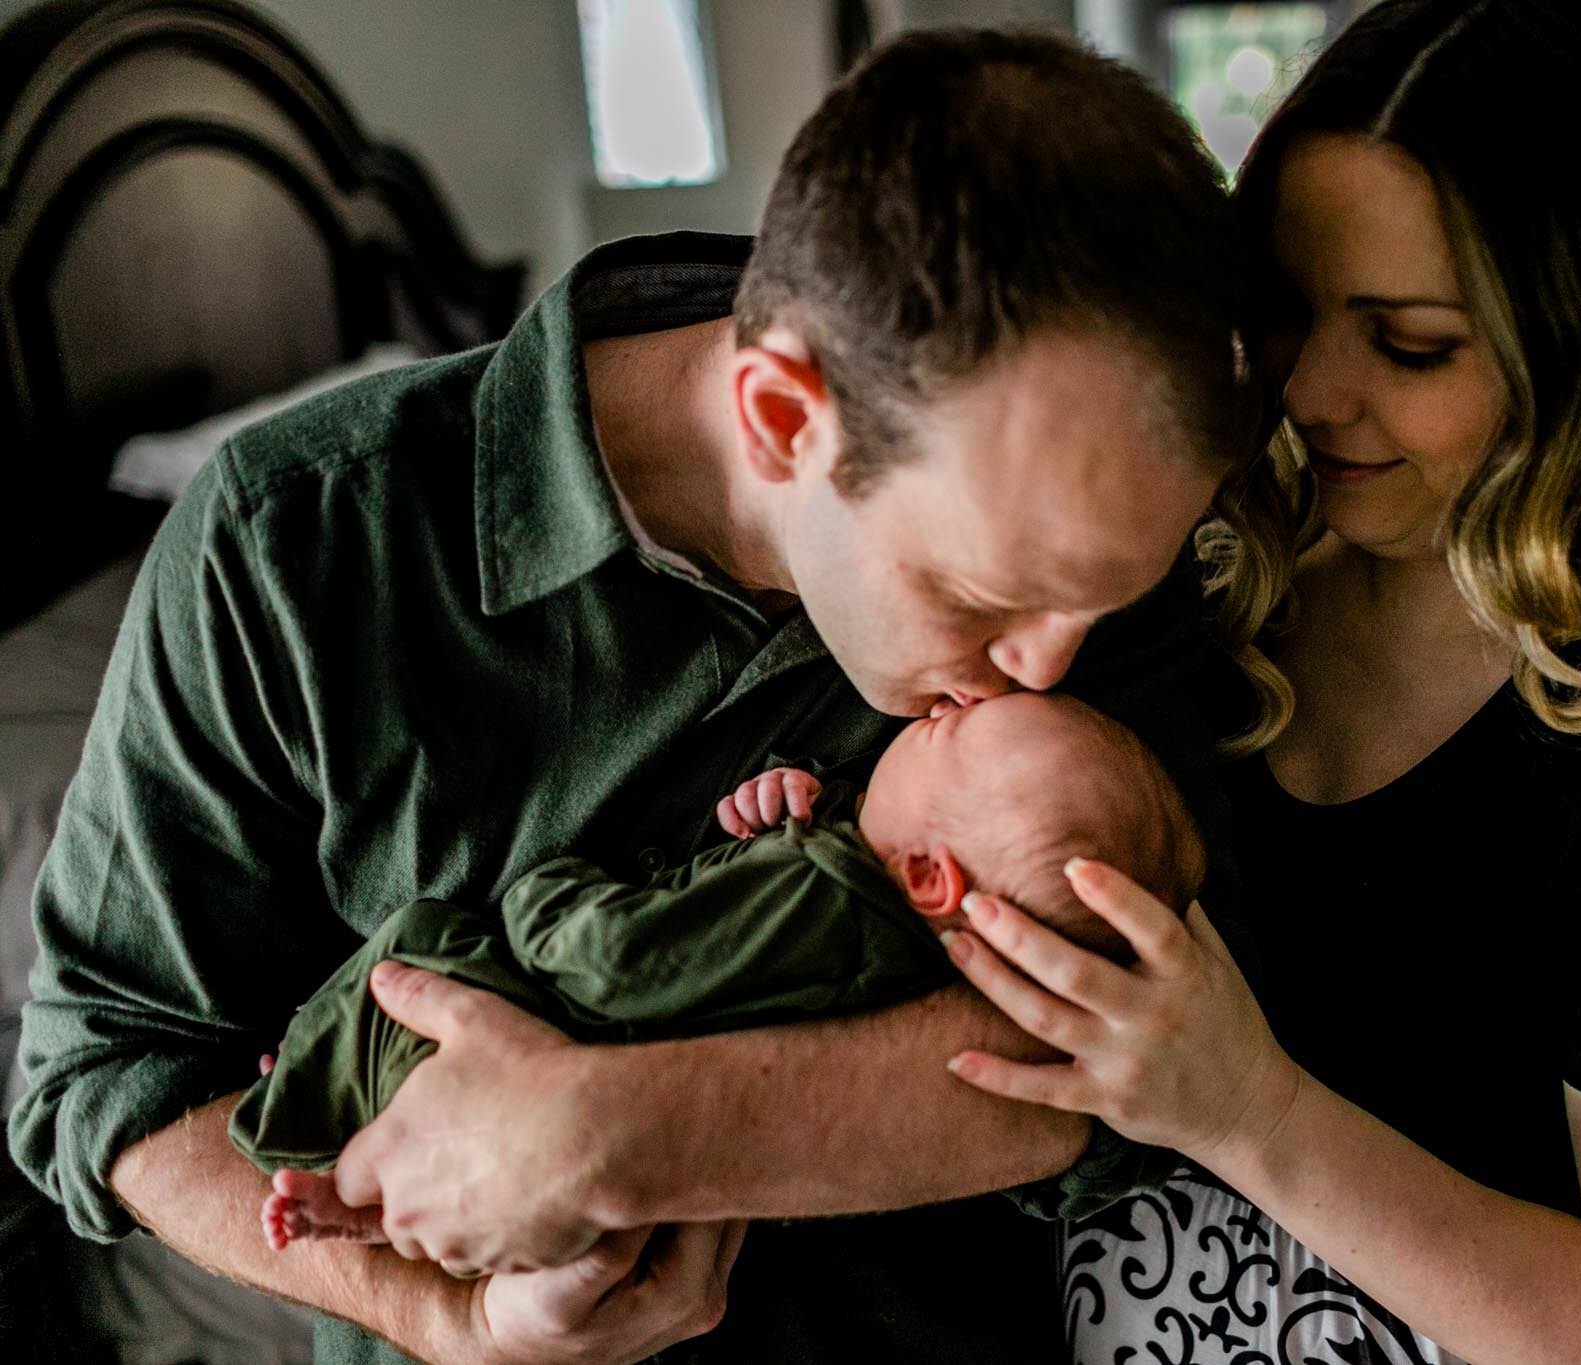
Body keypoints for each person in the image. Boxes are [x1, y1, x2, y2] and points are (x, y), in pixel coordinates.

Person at [9, 29, 1268, 1365]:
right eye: (982, 593)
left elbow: (1139, 1057)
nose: (1049, 671)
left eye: (1096, 602)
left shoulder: (1085, 514)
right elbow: (111, 1071)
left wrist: (630, 1131)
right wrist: (455, 1321)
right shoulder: (289, 543)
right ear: (786, 418)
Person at [939, 3, 1581, 1363]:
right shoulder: (1199, 601)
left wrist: (1251, 1111)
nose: (1309, 390)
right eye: (1292, 311)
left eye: (1409, 343)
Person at [233, 691, 1204, 1226]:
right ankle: (338, 1170)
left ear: (927, 877)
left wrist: (547, 893)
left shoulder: (825, 889)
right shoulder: (884, 932)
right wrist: (792, 820)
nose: (941, 707)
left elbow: (618, 958)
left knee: (422, 943)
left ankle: (298, 1101)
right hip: (551, 1135)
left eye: (949, 733)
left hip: (539, 1022)